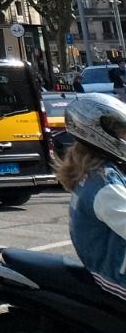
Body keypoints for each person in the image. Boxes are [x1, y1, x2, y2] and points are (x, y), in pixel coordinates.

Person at [57, 93, 126, 303]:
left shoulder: (95, 172)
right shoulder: (105, 186)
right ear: (101, 133)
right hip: (116, 277)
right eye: (121, 131)